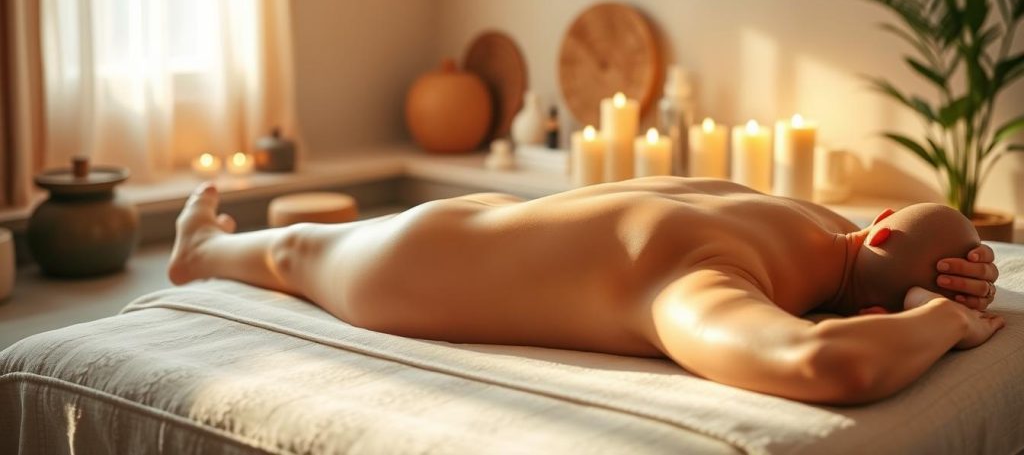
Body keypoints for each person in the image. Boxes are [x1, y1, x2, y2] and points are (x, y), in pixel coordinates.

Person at [168, 176, 1003, 405]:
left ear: (880, 219)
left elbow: (880, 286)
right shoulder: (710, 282)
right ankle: (198, 250)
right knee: (295, 256)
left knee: (303, 247)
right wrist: (942, 323)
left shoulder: (792, 215)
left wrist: (946, 265)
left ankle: (202, 241)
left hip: (485, 228)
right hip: (420, 265)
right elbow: (831, 364)